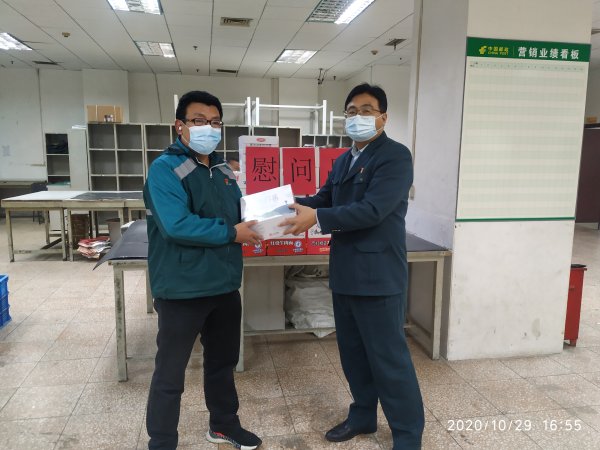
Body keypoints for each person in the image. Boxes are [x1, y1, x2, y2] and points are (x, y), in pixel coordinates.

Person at [280, 83, 424, 449]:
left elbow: (373, 210)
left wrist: (317, 217)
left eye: (366, 110)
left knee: (388, 359)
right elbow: (324, 199)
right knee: (354, 355)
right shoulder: (344, 160)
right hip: (344, 273)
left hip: (378, 277)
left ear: (383, 117)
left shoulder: (395, 157)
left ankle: (408, 435)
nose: (357, 117)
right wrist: (284, 205)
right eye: (351, 111)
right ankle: (362, 416)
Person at [144, 90, 263, 450]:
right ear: (179, 126)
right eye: (198, 120)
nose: (208, 128)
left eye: (215, 122)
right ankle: (162, 442)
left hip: (224, 284)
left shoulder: (224, 169)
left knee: (222, 363)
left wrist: (271, 216)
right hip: (182, 288)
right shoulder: (165, 169)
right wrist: (232, 233)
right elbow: (176, 225)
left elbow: (238, 215)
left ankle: (223, 425)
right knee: (171, 372)